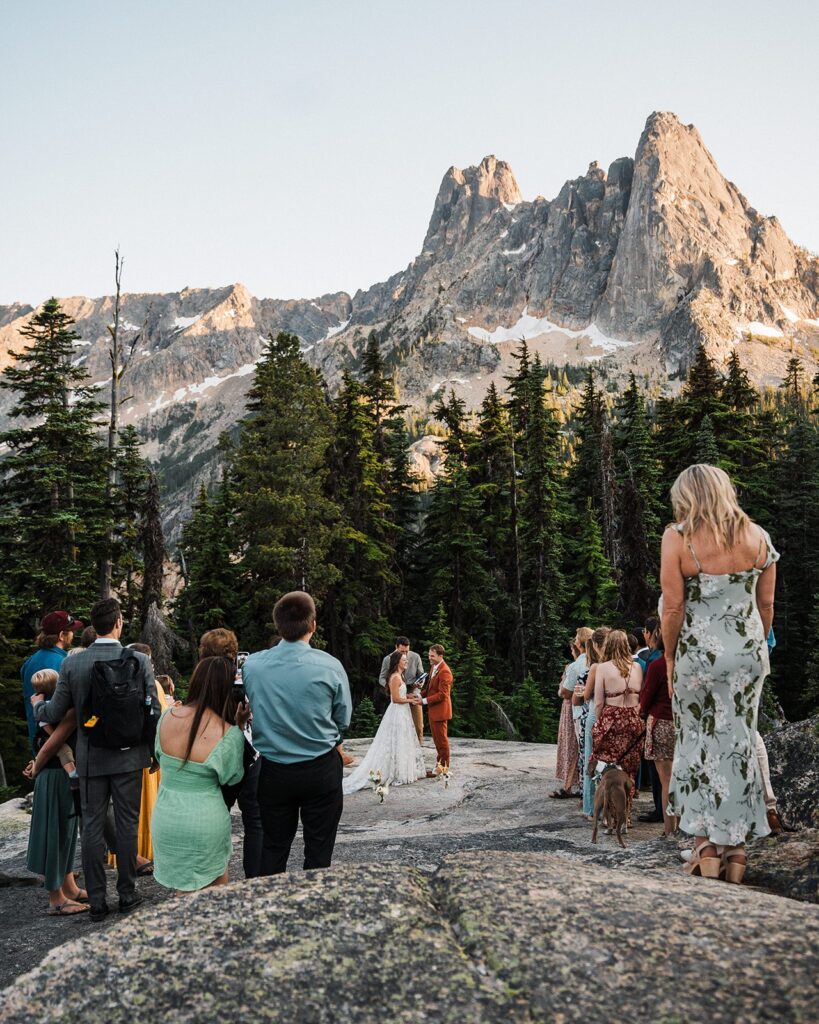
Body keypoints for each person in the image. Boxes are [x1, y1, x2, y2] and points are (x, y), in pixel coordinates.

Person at [662, 464, 777, 883]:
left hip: (699, 655)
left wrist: (671, 658)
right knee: (740, 740)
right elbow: (766, 607)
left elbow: (673, 608)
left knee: (697, 741)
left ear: (688, 497)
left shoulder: (679, 538)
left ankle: (706, 847)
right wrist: (753, 647)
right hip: (748, 654)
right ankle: (738, 850)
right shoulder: (758, 538)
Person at [32, 597, 160, 921]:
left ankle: (99, 902)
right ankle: (128, 895)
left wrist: (37, 707)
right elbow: (152, 712)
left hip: (90, 758)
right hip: (130, 756)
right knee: (128, 826)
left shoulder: (73, 664)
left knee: (91, 826)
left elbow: (56, 710)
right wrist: (152, 751)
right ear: (118, 623)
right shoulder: (139, 660)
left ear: (93, 626)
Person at [242, 591, 352, 874]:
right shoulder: (330, 666)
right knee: (319, 850)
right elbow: (343, 718)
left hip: (274, 770)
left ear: (277, 626)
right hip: (321, 768)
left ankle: (270, 907)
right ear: (313, 625)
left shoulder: (253, 665)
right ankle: (313, 906)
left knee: (274, 847)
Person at [151, 656, 250, 893]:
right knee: (214, 894)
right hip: (204, 820)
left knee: (182, 894)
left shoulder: (166, 718)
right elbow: (232, 777)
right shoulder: (228, 734)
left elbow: (158, 753)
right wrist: (239, 727)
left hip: (166, 816)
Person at [198, 627, 268, 879]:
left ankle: (213, 874)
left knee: (216, 815)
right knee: (255, 819)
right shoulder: (246, 677)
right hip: (249, 752)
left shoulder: (202, 681)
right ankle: (255, 879)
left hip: (214, 751)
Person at [23, 677, 86, 916]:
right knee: (55, 834)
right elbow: (52, 745)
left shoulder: (53, 708)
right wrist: (37, 766)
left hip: (58, 776)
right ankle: (56, 898)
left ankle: (69, 888)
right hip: (55, 778)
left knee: (67, 833)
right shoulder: (60, 711)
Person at [344, 650, 425, 793]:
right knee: (395, 741)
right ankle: (393, 771)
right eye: (404, 660)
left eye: (406, 660)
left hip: (402, 712)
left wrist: (408, 695)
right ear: (397, 662)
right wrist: (410, 699)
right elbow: (395, 699)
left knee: (402, 741)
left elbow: (400, 695)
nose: (406, 662)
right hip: (397, 713)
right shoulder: (394, 677)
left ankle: (400, 770)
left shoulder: (400, 676)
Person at [590, 630, 644, 805]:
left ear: (609, 645)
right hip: (633, 719)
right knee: (629, 769)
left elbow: (598, 702)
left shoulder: (603, 668)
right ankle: (626, 814)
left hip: (611, 718)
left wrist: (600, 723)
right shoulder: (637, 667)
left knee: (608, 767)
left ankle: (609, 813)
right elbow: (641, 696)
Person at [21, 611, 83, 750]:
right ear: (61, 635)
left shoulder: (29, 663)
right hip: (62, 746)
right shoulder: (65, 663)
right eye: (71, 631)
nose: (74, 634)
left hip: (38, 742)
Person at [638, 624, 677, 835]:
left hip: (661, 723)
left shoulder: (659, 665)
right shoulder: (689, 665)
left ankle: (670, 829)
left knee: (666, 780)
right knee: (682, 777)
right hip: (684, 725)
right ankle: (684, 826)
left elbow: (647, 696)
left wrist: (641, 709)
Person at [551, 629, 591, 799]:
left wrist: (562, 686)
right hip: (592, 709)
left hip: (577, 710)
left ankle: (578, 787)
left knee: (577, 749)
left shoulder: (576, 665)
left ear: (580, 643)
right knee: (585, 750)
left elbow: (566, 692)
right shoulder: (596, 662)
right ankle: (582, 786)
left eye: (576, 638)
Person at [575, 626, 609, 819]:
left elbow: (585, 695)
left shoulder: (596, 667)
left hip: (594, 715)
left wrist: (581, 693)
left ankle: (590, 808)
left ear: (595, 645)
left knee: (591, 761)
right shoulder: (621, 665)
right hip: (614, 715)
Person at [636, 615, 665, 824]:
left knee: (660, 770)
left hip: (657, 715)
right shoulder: (664, 657)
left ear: (648, 633)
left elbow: (648, 690)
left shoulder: (654, 660)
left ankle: (660, 810)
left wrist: (642, 709)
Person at [379, 637, 425, 745]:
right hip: (398, 691)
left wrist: (420, 684)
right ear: (396, 647)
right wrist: (391, 686)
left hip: (413, 692)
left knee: (418, 725)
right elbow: (382, 677)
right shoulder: (388, 659)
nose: (405, 653)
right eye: (402, 651)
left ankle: (419, 746)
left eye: (407, 651)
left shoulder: (416, 656)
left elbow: (421, 675)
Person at [420, 644, 453, 774]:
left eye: (432, 656)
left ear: (440, 656)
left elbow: (442, 695)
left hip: (440, 711)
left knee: (442, 741)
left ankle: (443, 768)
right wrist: (418, 695)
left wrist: (423, 701)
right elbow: (429, 689)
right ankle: (439, 766)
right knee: (437, 741)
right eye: (429, 655)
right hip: (433, 710)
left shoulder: (445, 671)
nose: (430, 658)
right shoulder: (434, 667)